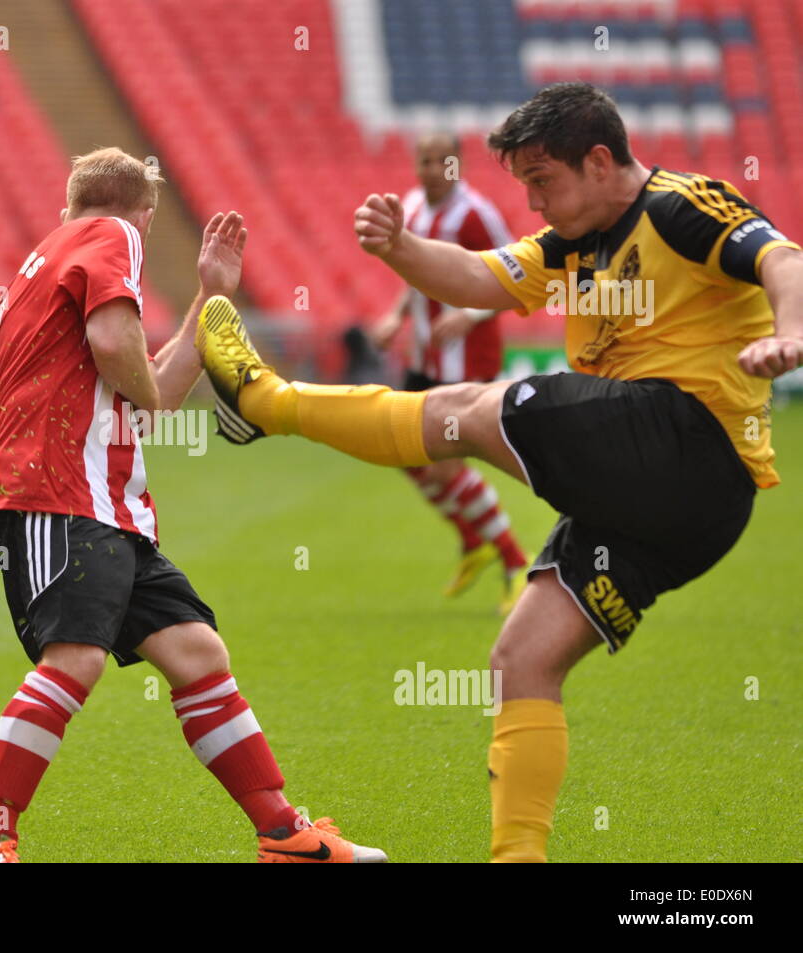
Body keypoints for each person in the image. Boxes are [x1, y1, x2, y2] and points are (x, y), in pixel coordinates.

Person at [197, 83, 803, 862]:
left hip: (691, 443)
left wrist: (790, 334)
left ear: (597, 159)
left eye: (541, 182)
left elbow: (783, 256)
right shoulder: (573, 238)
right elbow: (480, 278)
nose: (532, 204)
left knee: (471, 410)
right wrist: (399, 249)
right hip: (682, 512)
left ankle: (268, 401)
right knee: (522, 657)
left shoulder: (680, 206)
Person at [0, 147, 384, 863]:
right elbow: (118, 349)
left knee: (196, 652)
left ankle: (284, 834)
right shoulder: (112, 234)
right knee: (77, 657)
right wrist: (151, 392)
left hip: (100, 503)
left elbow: (144, 384)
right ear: (147, 217)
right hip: (61, 492)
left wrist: (210, 295)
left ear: (66, 203)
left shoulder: (52, 250)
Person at [366, 131, 527, 611]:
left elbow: (517, 274)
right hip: (424, 356)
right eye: (424, 160)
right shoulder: (412, 206)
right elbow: (416, 270)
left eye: (441, 161)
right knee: (403, 452)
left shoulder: (476, 213)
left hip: (466, 359)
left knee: (443, 462)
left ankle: (516, 561)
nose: (431, 169)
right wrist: (398, 314)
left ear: (458, 165)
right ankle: (472, 541)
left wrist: (470, 313)